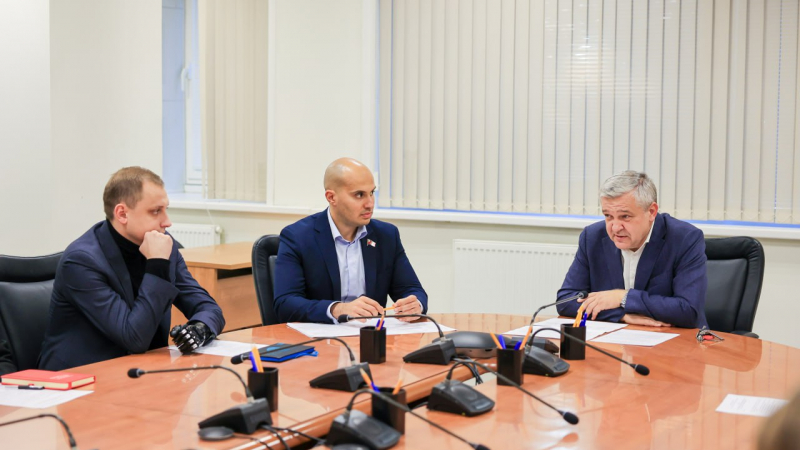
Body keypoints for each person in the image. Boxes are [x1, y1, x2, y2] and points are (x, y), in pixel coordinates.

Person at [39, 167, 225, 371]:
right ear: (122, 214)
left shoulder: (163, 245)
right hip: (81, 378)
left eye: (166, 209)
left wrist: (199, 329)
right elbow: (134, 338)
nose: (167, 222)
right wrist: (157, 265)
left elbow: (210, 308)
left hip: (141, 370)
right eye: (156, 211)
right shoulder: (81, 262)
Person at [274, 157, 427, 324]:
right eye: (359, 195)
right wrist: (337, 309)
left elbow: (412, 289)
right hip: (321, 335)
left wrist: (415, 305)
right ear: (331, 197)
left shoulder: (386, 235)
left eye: (372, 193)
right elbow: (285, 304)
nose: (370, 204)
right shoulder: (298, 237)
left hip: (370, 334)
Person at [556, 170, 707, 328]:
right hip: (617, 337)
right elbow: (566, 301)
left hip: (675, 337)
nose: (615, 227)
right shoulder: (592, 237)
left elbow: (688, 311)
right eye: (608, 216)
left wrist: (623, 297)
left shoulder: (684, 238)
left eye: (625, 216)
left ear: (651, 212)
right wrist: (621, 315)